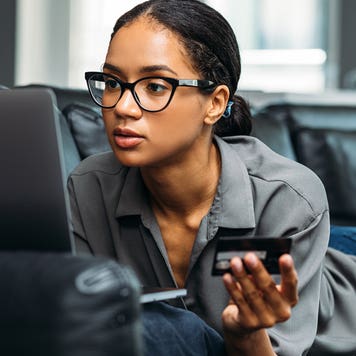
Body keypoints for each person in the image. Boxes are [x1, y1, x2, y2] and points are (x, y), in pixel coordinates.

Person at [68, 0, 356, 355]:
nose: (123, 107)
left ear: (215, 103)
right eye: (113, 82)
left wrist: (246, 334)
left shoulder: (289, 198)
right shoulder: (87, 186)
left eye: (155, 86)